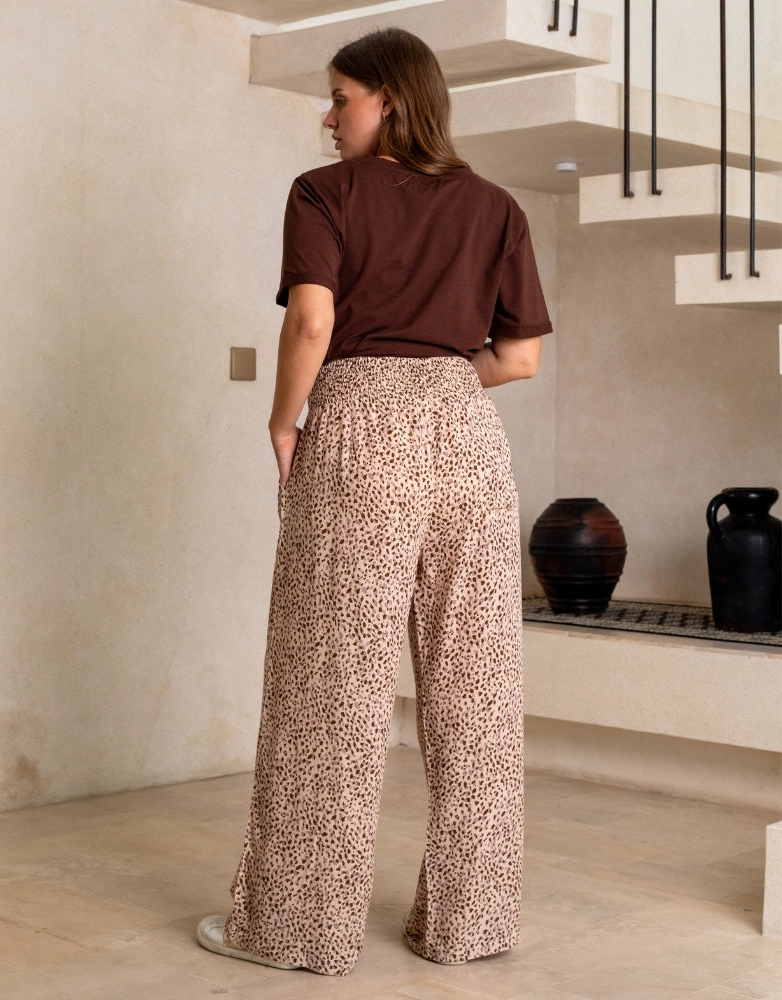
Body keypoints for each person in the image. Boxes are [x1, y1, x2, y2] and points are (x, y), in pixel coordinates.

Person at [197, 26, 552, 977]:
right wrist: (441, 379)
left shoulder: (325, 193)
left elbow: (312, 322)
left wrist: (284, 421)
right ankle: (470, 925)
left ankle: (296, 929)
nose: (329, 116)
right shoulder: (497, 205)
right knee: (478, 689)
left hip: (358, 427)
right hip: (469, 436)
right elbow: (519, 358)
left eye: (341, 97)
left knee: (331, 681)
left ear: (388, 99)